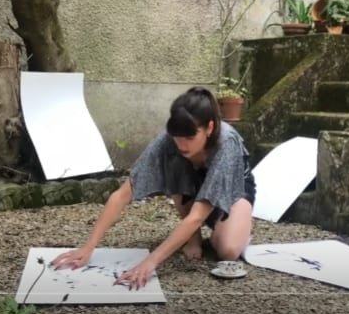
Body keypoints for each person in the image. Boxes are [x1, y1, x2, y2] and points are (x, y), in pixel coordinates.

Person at [51, 86, 256, 289]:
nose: (182, 144)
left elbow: (197, 216)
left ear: (209, 128)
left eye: (190, 138)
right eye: (177, 137)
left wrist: (151, 262)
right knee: (174, 164)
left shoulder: (225, 142)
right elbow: (122, 194)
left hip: (233, 191)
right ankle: (193, 237)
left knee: (228, 251)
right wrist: (88, 247)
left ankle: (237, 225)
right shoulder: (168, 140)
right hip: (192, 188)